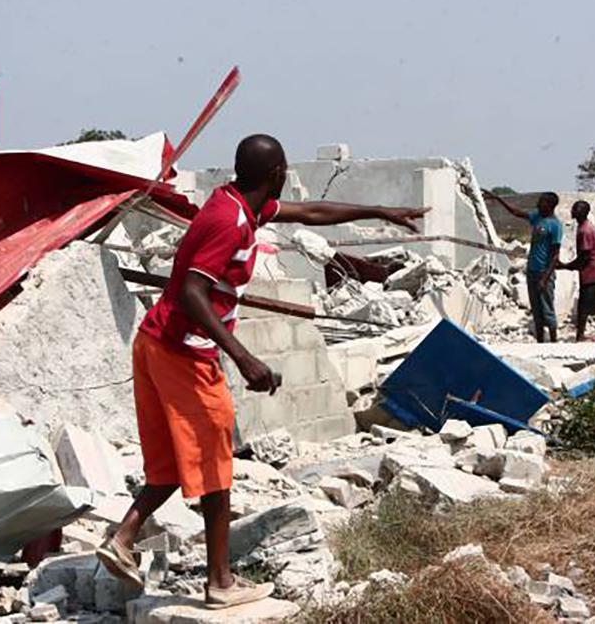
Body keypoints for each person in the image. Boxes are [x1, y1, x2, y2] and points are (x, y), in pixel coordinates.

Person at [96, 134, 427, 609]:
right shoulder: (230, 223)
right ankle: (220, 583)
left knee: (175, 459)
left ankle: (123, 538)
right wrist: (242, 356)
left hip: (155, 342)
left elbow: (311, 212)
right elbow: (192, 290)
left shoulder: (239, 204)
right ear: (277, 174)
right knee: (214, 463)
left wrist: (378, 211)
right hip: (183, 353)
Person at [486, 190, 563, 342]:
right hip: (532, 271)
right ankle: (540, 341)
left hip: (544, 274)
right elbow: (516, 213)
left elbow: (555, 257)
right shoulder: (538, 218)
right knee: (536, 310)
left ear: (550, 205)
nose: (538, 204)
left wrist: (545, 278)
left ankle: (554, 341)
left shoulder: (555, 225)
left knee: (547, 308)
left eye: (541, 202)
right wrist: (497, 199)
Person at [558, 200, 595, 340]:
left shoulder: (584, 230)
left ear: (582, 212)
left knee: (583, 308)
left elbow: (584, 256)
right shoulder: (585, 226)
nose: (573, 211)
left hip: (592, 273)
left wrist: (566, 266)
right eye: (574, 208)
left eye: (576, 209)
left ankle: (579, 337)